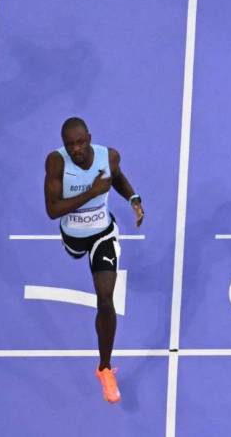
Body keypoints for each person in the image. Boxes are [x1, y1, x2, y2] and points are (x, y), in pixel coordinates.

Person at [44, 117, 145, 404]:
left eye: (80, 142)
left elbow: (118, 177)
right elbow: (52, 210)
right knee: (78, 256)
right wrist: (92, 192)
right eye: (70, 144)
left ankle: (104, 368)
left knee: (105, 298)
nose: (76, 149)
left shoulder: (108, 156)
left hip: (103, 233)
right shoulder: (56, 163)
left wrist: (133, 198)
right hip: (74, 239)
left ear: (89, 137)